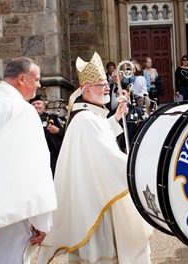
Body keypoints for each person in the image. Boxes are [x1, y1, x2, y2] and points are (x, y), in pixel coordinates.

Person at [37, 52, 153, 264]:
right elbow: (105, 157)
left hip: (99, 193)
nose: (107, 87)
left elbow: (102, 138)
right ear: (86, 90)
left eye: (105, 84)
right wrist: (135, 167)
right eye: (101, 85)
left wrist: (116, 117)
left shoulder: (90, 115)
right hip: (96, 199)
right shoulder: (85, 119)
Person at [0, 56, 57, 263]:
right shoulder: (23, 111)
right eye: (37, 79)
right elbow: (33, 168)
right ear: (22, 79)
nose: (39, 85)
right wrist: (41, 221)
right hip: (6, 212)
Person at [30, 94, 65, 176]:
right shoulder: (27, 120)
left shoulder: (53, 118)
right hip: (34, 155)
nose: (36, 106)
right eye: (33, 104)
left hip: (52, 156)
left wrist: (58, 131)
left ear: (44, 106)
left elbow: (66, 133)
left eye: (38, 103)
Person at [108, 84, 144, 153]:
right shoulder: (112, 114)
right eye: (118, 94)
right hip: (119, 148)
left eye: (123, 93)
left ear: (128, 94)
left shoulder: (137, 111)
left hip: (134, 146)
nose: (120, 96)